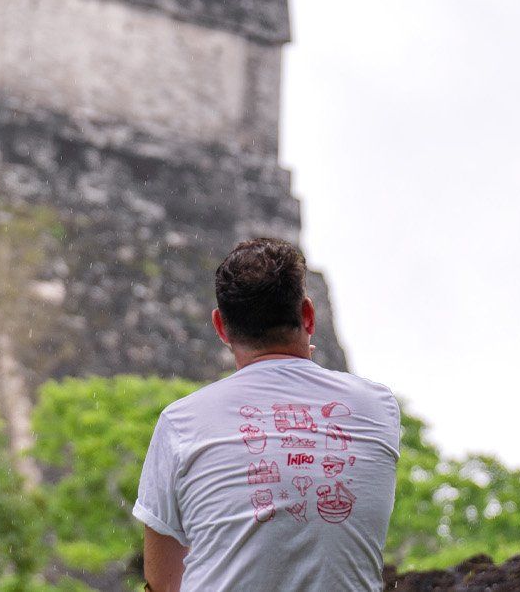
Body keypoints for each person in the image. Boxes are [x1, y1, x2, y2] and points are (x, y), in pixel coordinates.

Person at [132, 238, 401, 591]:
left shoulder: (182, 422)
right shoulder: (377, 406)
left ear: (221, 327)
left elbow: (163, 582)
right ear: (308, 315)